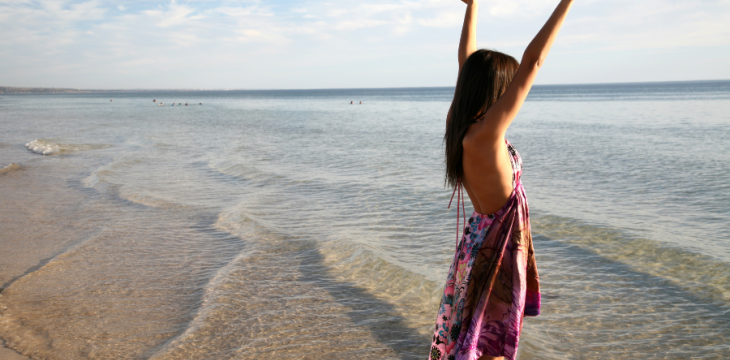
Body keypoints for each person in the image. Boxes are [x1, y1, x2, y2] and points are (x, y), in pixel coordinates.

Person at [430, 0, 574, 359]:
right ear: (494, 90)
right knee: (490, 345)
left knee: (478, 339)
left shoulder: (459, 128)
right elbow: (533, 62)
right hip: (496, 251)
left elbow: (465, 62)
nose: (510, 94)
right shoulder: (486, 135)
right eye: (506, 86)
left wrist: (472, 5)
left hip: (478, 242)